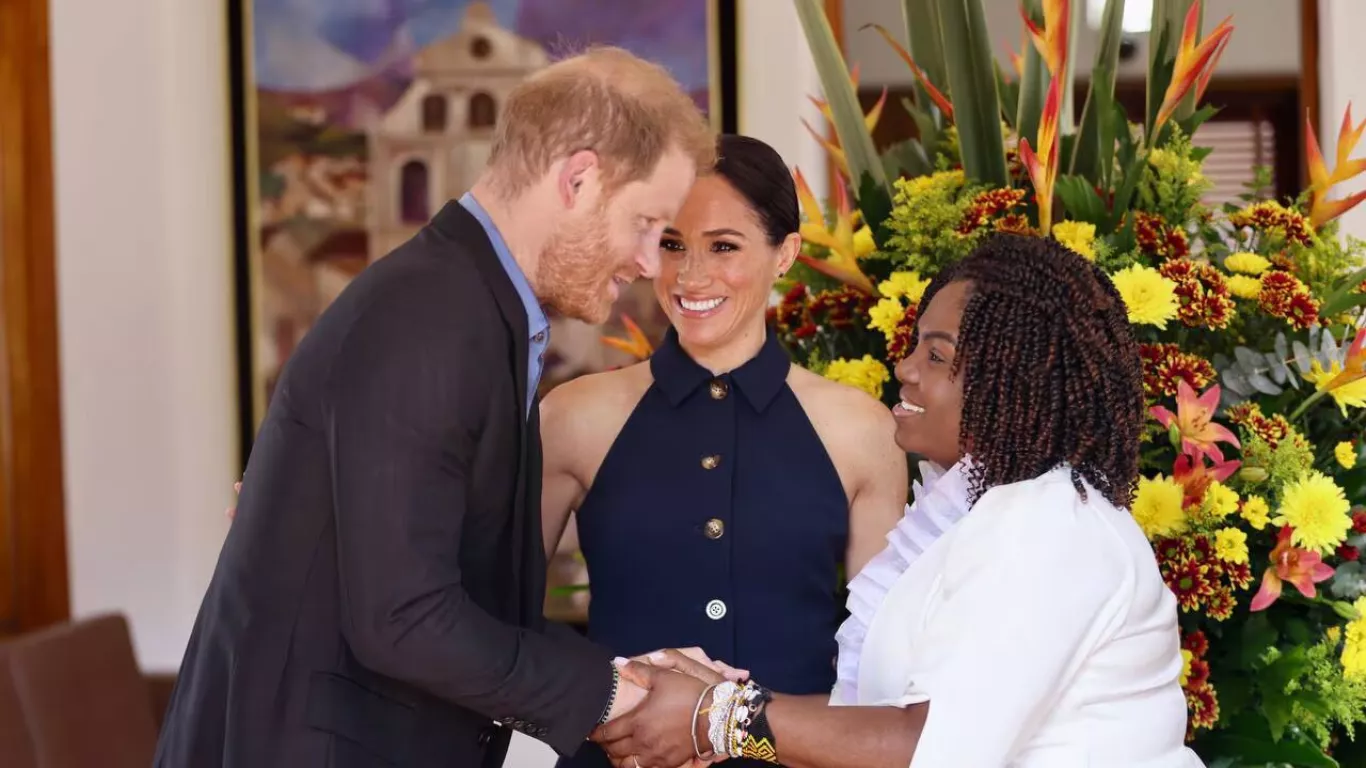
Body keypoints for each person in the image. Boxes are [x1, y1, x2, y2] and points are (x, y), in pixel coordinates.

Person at [153, 46, 716, 768]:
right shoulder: (430, 317)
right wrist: (617, 696)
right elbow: (403, 618)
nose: (648, 263)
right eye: (646, 224)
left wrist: (626, 677)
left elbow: (447, 592)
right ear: (579, 180)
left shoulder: (472, 308)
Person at [594, 233, 1202, 767]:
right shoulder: (986, 513)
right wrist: (718, 713)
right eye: (916, 346)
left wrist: (718, 717)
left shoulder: (1050, 527)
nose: (906, 368)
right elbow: (879, 725)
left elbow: (927, 749)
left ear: (1012, 379)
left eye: (937, 356)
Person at [539, 134, 907, 768]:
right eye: (672, 245)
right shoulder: (574, 416)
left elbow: (879, 670)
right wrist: (611, 704)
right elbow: (496, 622)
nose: (692, 276)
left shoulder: (861, 430)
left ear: (785, 253)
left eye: (724, 247)